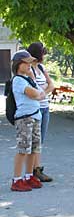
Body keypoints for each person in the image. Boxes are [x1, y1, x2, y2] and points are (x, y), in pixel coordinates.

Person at [10, 50, 46, 191]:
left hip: (35, 116)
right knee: (23, 149)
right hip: (25, 118)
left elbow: (41, 93)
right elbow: (34, 94)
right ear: (19, 64)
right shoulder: (18, 80)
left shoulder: (29, 79)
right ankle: (17, 179)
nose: (30, 65)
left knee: (33, 149)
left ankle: (29, 175)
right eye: (27, 62)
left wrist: (37, 90)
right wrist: (38, 94)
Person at [27, 42, 55, 182]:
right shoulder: (29, 70)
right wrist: (43, 90)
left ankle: (35, 169)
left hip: (45, 107)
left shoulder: (41, 68)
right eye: (43, 52)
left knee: (40, 140)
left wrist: (42, 91)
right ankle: (35, 169)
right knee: (35, 140)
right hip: (35, 108)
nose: (44, 54)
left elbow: (52, 85)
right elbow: (34, 89)